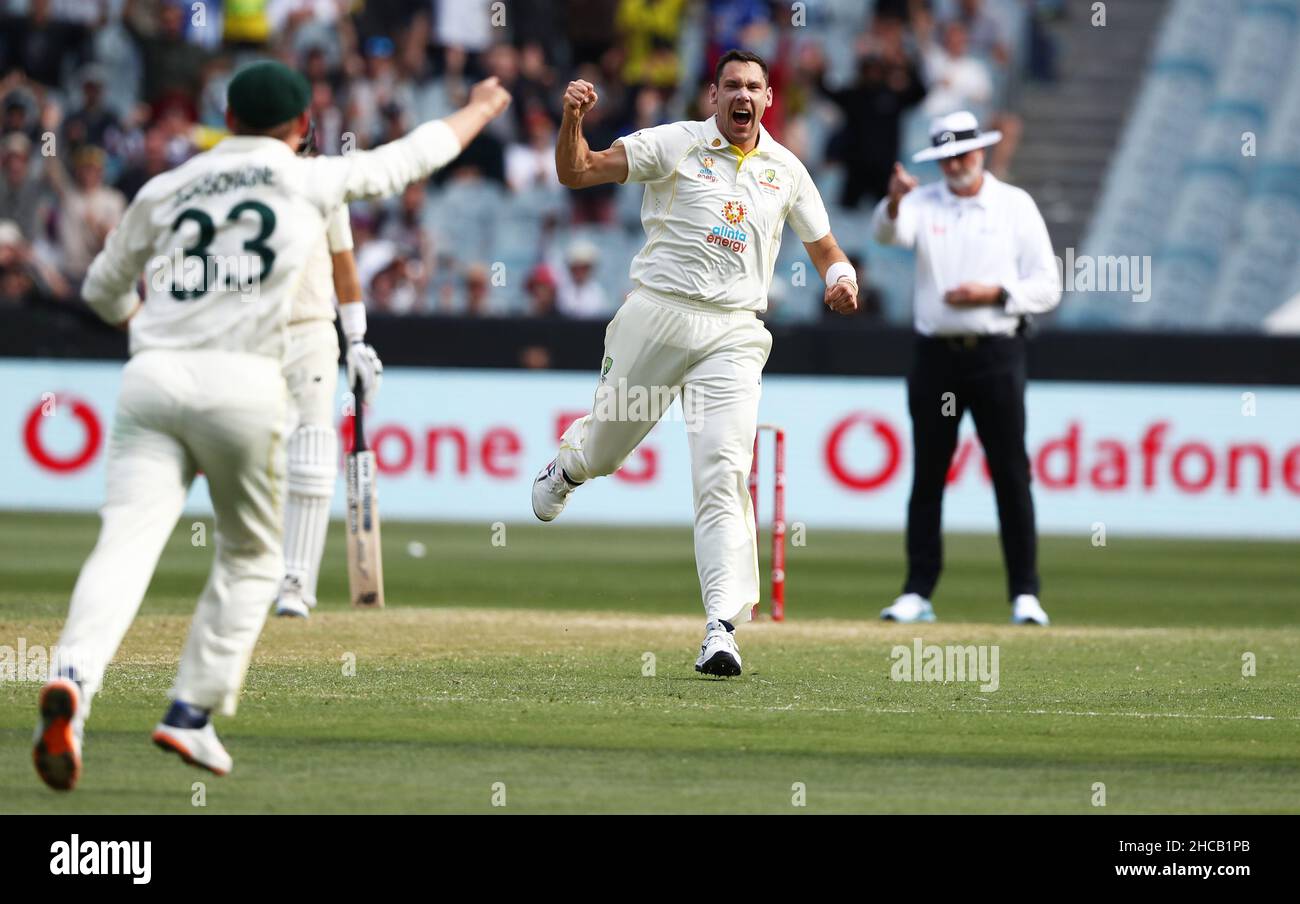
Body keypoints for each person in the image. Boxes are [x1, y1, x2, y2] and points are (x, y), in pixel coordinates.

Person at [32, 60, 511, 791]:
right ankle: (190, 713)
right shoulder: (308, 177)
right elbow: (412, 157)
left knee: (122, 548)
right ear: (300, 130)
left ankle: (71, 677)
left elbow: (98, 291)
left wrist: (150, 330)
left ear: (227, 117)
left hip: (151, 379)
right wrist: (480, 107)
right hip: (243, 381)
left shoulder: (165, 186)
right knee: (254, 556)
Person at [532, 49, 858, 677]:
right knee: (606, 452)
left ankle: (721, 628)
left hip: (734, 333)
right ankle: (569, 467)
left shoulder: (785, 169)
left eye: (754, 88)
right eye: (731, 86)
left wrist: (841, 280)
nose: (743, 96)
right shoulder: (673, 144)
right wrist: (572, 119)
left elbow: (826, 247)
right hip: (655, 316)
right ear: (713, 97)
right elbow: (578, 173)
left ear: (768, 100)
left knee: (723, 474)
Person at [873, 111, 1061, 627]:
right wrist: (893, 198)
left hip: (996, 352)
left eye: (964, 153)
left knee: (1010, 474)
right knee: (929, 472)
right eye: (948, 157)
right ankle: (917, 591)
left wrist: (995, 293)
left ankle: (1025, 593)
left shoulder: (1013, 205)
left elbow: (1047, 285)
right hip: (936, 356)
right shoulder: (923, 200)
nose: (957, 164)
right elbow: (888, 234)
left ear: (981, 151)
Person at [273, 125, 383, 620]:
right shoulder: (240, 179)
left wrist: (356, 339)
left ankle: (296, 582)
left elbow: (344, 263)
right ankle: (258, 572)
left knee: (313, 456)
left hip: (313, 330)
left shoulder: (324, 184)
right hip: (251, 335)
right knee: (257, 459)